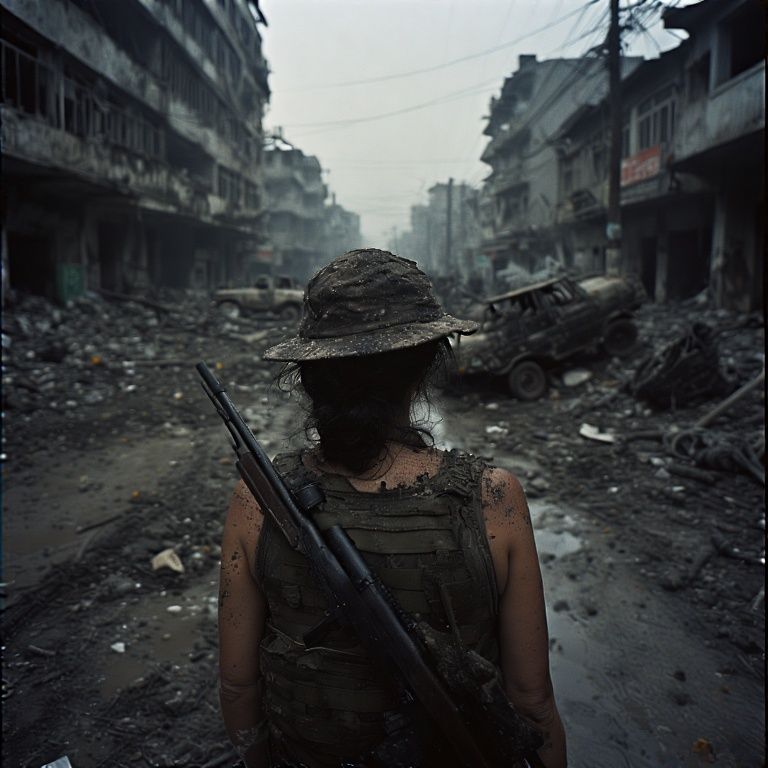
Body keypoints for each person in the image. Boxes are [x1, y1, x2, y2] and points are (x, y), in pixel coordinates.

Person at [218, 249, 567, 768]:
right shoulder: (495, 499)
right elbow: (531, 701)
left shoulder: (256, 501)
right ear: (426, 364)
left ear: (311, 375)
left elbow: (237, 686)